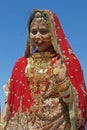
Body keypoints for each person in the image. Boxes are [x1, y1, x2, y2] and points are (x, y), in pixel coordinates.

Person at [0, 9, 87, 130]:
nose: (37, 37)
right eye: (33, 32)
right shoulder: (21, 64)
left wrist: (63, 84)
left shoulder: (65, 62)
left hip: (58, 125)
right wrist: (2, 125)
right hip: (22, 125)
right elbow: (9, 100)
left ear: (54, 33)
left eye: (43, 31)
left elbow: (78, 107)